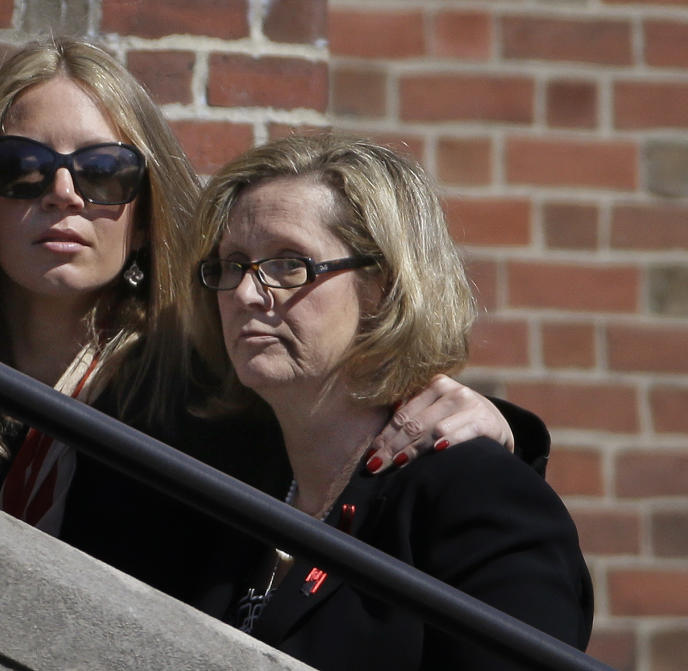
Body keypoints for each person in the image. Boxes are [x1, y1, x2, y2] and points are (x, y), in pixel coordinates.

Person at [0, 37, 549, 599]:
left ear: (147, 209)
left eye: (104, 171)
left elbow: (350, 432)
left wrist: (498, 426)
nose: (64, 193)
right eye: (21, 167)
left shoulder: (213, 384)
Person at [186, 134, 592, 669]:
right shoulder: (233, 482)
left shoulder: (473, 498)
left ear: (382, 288)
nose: (244, 293)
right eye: (233, 264)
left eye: (289, 264)